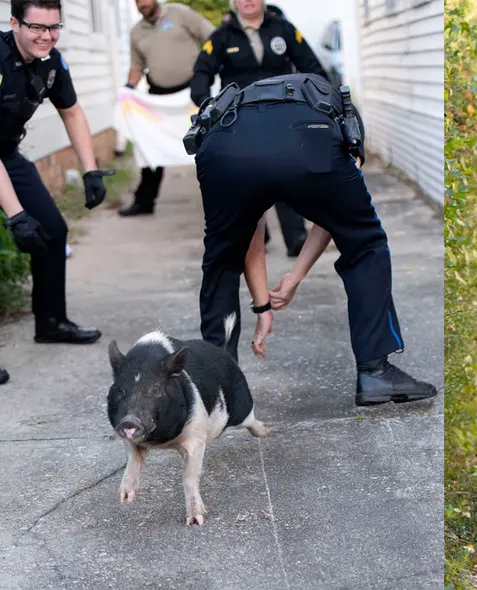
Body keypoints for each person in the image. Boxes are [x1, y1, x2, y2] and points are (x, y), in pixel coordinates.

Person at [189, 72, 437, 406]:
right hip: (307, 143)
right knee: (365, 243)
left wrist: (267, 302)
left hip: (224, 149)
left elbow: (250, 230)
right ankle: (375, 372)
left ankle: (218, 391)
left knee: (220, 259)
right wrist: (296, 276)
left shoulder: (244, 106)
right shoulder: (342, 119)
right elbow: (337, 217)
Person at [0, 0, 113, 352]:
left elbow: (72, 112)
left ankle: (50, 323)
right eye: (36, 27)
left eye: (53, 27)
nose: (46, 36)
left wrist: (90, 169)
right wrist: (16, 215)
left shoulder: (50, 62)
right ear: (14, 22)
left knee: (52, 229)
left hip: (6, 153)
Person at [189, 0, 326, 258]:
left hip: (283, 112)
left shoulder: (283, 29)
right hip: (241, 117)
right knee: (248, 176)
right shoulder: (222, 36)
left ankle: (296, 235)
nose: (248, 1)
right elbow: (201, 74)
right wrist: (207, 107)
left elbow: (312, 66)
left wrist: (320, 99)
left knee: (285, 171)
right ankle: (254, 236)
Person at [118, 0, 215, 217]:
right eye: (137, 1)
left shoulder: (180, 13)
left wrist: (211, 67)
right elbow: (136, 67)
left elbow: (212, 37)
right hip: (160, 97)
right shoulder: (136, 32)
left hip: (193, 92)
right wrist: (127, 89)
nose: (142, 4)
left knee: (209, 142)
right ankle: (144, 201)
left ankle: (223, 196)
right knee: (150, 147)